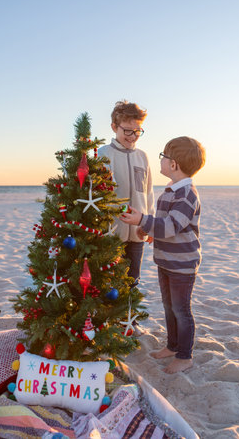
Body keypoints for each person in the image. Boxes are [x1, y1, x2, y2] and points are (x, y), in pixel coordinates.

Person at [121, 136, 206, 373]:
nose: (161, 160)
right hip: (166, 261)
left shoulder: (187, 193)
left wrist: (142, 219)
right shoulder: (170, 190)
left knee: (181, 310)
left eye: (164, 157)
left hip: (182, 264)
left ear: (174, 164)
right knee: (169, 307)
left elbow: (170, 226)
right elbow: (162, 225)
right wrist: (148, 229)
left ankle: (185, 355)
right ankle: (172, 346)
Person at [98, 100, 155, 336]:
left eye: (137, 131)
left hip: (138, 232)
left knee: (133, 279)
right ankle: (106, 323)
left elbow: (148, 192)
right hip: (111, 232)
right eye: (127, 131)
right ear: (114, 126)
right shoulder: (102, 154)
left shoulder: (143, 156)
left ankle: (128, 322)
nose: (132, 136)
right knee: (109, 281)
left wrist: (149, 223)